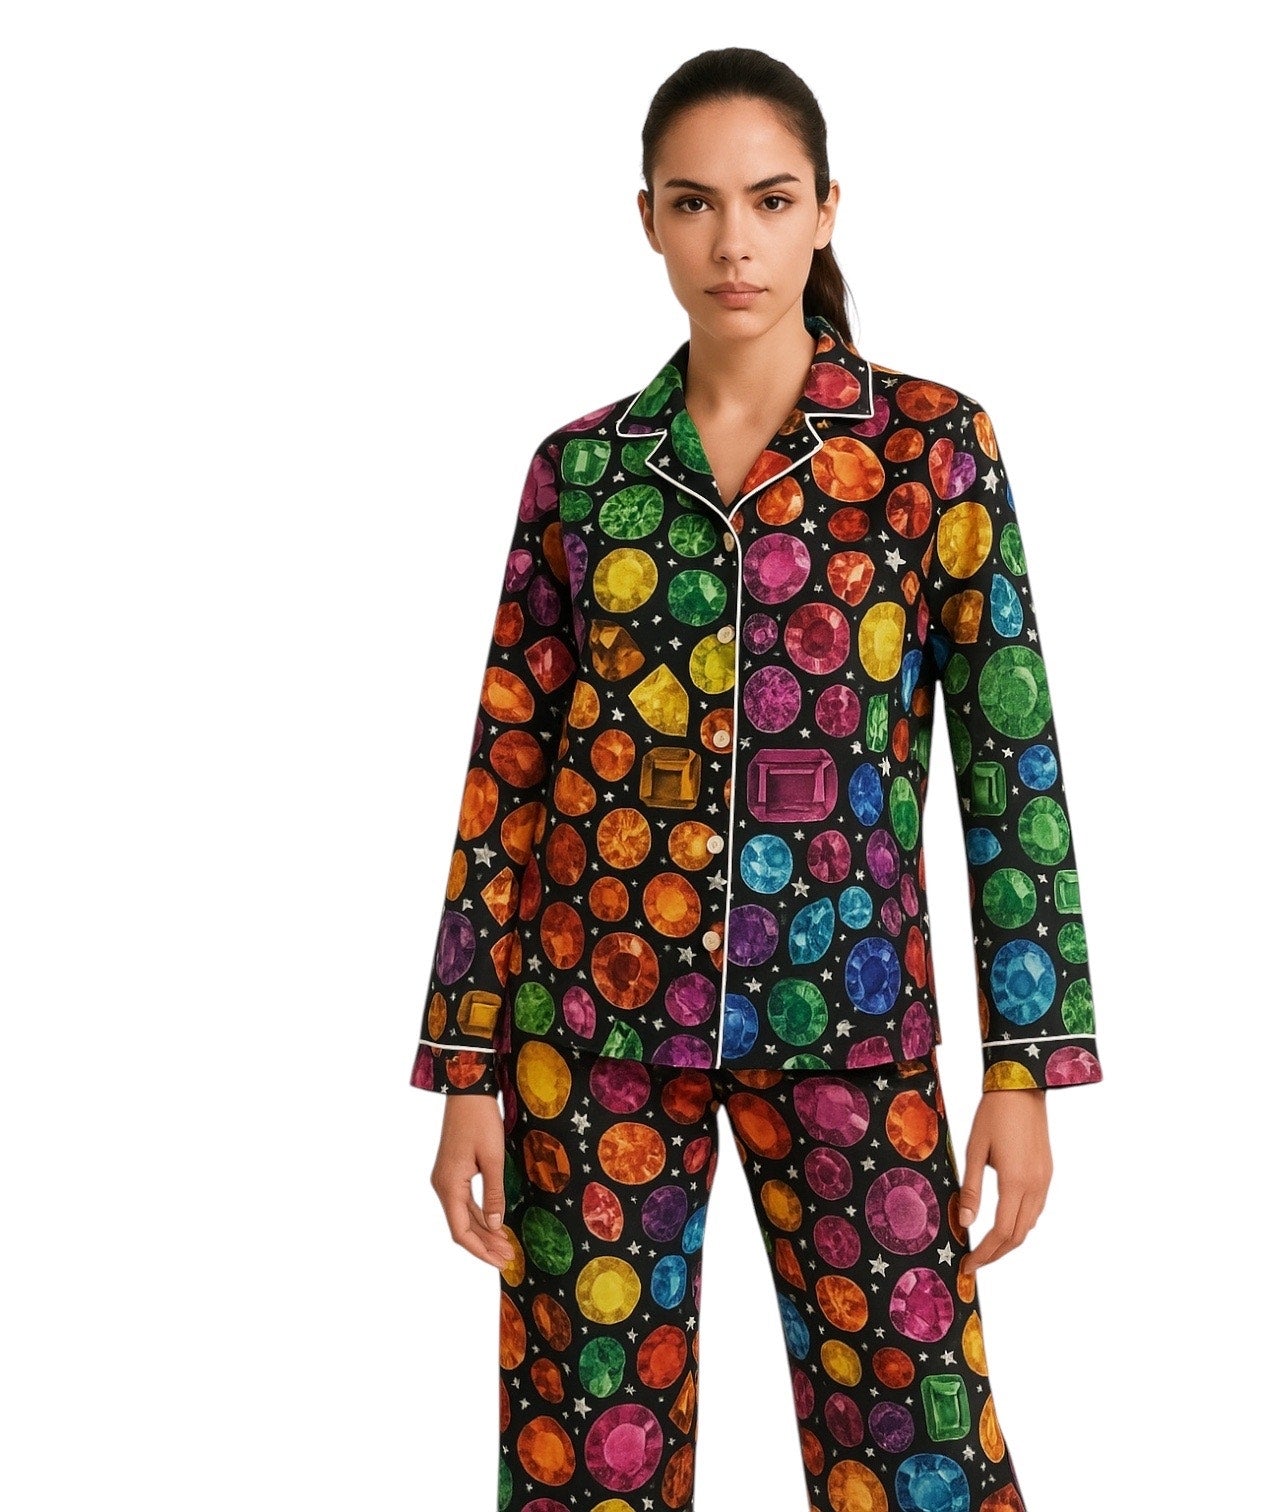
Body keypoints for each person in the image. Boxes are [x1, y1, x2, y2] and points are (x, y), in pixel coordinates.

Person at [409, 46, 1104, 1512]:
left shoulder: (931, 452)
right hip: (587, 1027)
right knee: (585, 1454)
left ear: (827, 209)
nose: (735, 242)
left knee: (913, 1447)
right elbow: (508, 773)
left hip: (848, 1014)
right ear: (648, 221)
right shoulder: (581, 474)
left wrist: (1026, 1064)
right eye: (696, 203)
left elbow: (1012, 763)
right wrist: (466, 1069)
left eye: (771, 200)